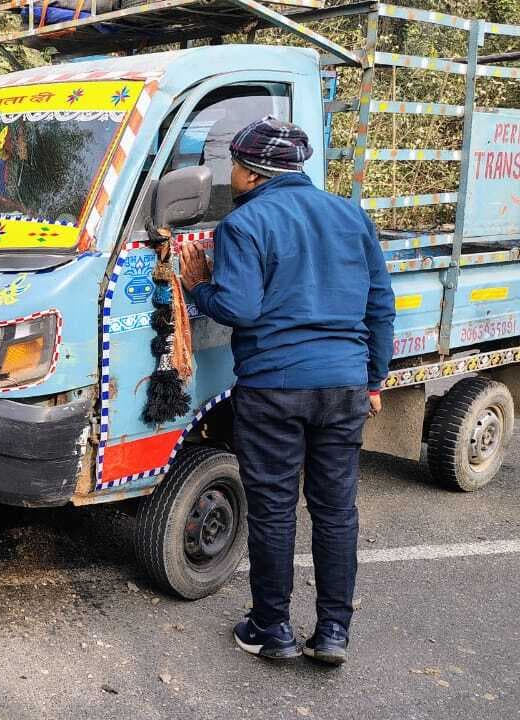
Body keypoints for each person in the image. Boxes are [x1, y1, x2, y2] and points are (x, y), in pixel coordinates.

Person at [178, 117, 395, 666]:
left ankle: (271, 630)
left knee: (275, 511)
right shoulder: (351, 215)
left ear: (250, 172)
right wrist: (373, 378)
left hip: (274, 388)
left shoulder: (244, 224)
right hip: (344, 384)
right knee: (336, 510)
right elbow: (380, 306)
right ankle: (333, 633)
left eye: (234, 166)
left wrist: (197, 285)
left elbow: (239, 308)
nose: (231, 175)